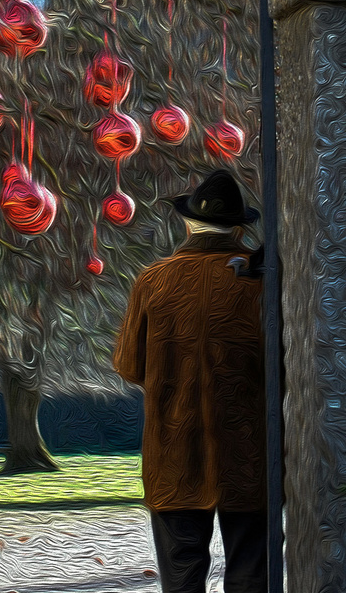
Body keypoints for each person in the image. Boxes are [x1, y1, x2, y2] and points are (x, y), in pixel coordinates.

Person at [113, 169, 266, 593]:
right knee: (252, 576)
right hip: (249, 455)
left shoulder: (153, 281)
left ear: (188, 223)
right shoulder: (261, 282)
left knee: (181, 578)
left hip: (174, 454)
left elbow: (129, 366)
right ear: (238, 227)